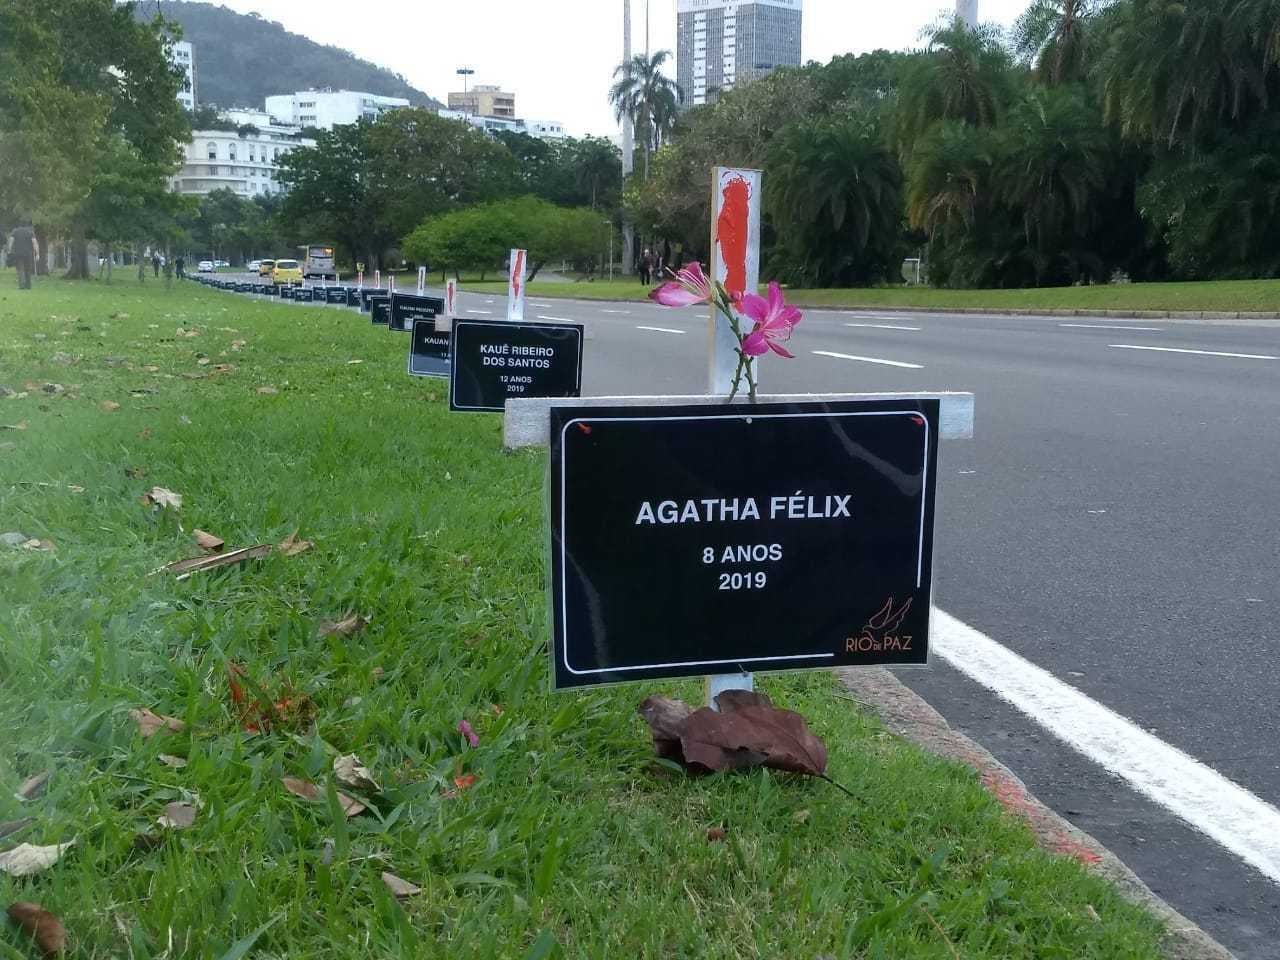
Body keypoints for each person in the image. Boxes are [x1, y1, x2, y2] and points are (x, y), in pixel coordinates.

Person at [7, 221, 37, 290]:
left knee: (20, 270)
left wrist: (9, 250)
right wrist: (36, 252)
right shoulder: (30, 231)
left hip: (18, 253)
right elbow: (34, 242)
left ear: (19, 225)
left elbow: (11, 240)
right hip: (28, 254)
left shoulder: (15, 231)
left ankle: (21, 285)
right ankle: (28, 285)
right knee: (28, 270)